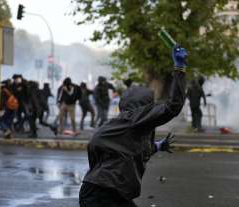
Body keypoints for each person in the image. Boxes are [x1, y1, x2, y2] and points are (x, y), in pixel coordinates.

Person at [79, 45, 187, 207]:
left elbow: (109, 146)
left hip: (107, 191)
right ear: (143, 105)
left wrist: (157, 147)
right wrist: (180, 68)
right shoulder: (135, 119)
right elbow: (173, 106)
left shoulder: (126, 125)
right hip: (102, 193)